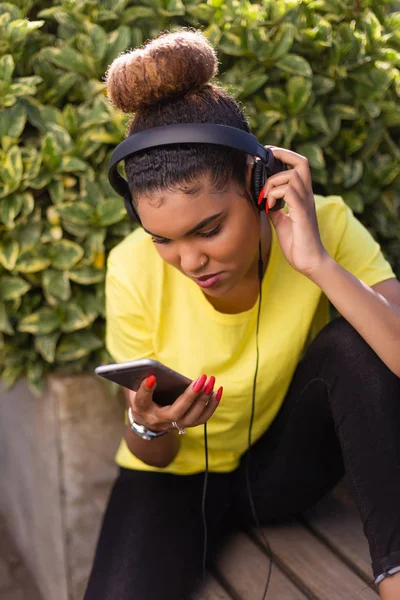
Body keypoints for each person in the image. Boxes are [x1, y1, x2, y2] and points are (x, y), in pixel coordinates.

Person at [84, 29, 400, 600]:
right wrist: (151, 425)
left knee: (353, 342)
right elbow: (151, 454)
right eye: (164, 239)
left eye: (208, 229)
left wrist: (317, 263)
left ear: (258, 184)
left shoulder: (322, 225)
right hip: (176, 480)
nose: (190, 259)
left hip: (283, 473)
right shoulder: (131, 268)